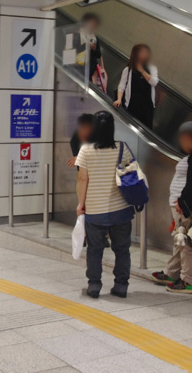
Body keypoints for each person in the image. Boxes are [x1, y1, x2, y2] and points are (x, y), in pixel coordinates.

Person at [75, 111, 135, 299]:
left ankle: (94, 285)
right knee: (122, 250)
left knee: (94, 250)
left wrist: (81, 204)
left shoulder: (86, 150)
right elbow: (132, 173)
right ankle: (121, 286)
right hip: (121, 209)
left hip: (95, 210)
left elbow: (82, 179)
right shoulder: (122, 148)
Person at [152, 122, 192, 294]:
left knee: (188, 246)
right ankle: (172, 274)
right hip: (189, 207)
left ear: (191, 137)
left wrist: (184, 205)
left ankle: (188, 281)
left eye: (184, 137)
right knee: (180, 243)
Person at [114, 44, 159, 128]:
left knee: (146, 128)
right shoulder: (128, 70)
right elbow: (121, 86)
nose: (145, 54)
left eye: (146, 52)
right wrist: (119, 99)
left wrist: (142, 71)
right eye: (142, 52)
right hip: (133, 104)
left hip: (147, 107)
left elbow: (154, 82)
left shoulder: (151, 68)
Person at [75, 13, 107, 85]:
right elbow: (75, 50)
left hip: (91, 70)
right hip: (79, 67)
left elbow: (98, 55)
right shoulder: (77, 35)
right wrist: (87, 45)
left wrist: (94, 48)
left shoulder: (94, 37)